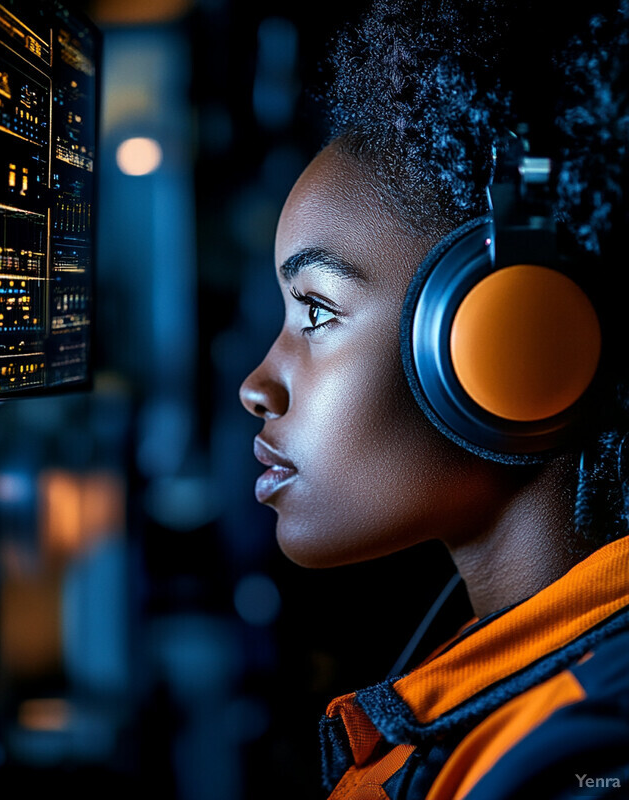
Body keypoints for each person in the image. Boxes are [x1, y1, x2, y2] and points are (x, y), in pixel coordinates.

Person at [239, 1, 629, 797]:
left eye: (316, 312)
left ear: (514, 345)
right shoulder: (501, 672)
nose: (256, 387)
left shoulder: (576, 757)